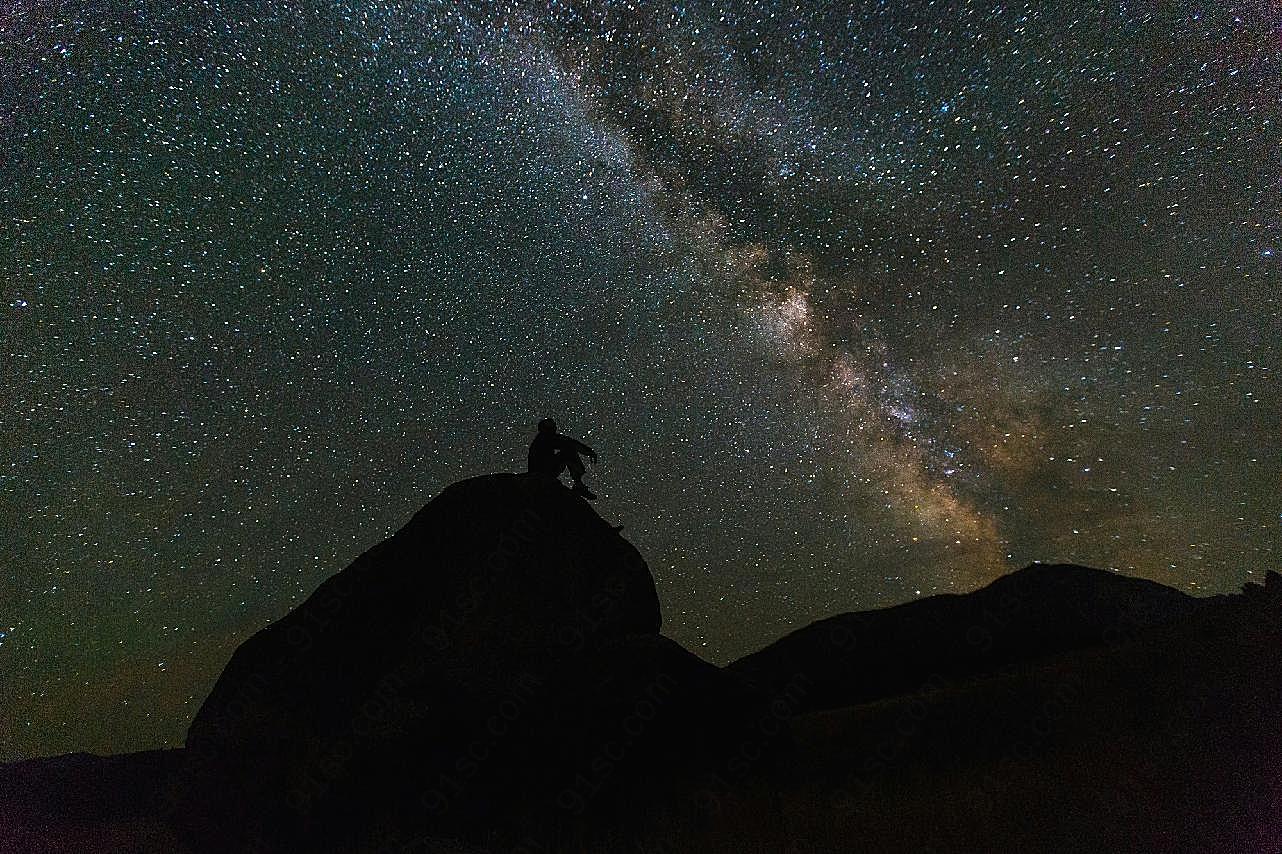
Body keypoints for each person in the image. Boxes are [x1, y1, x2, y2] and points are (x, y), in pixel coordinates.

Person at [527, 418, 598, 500]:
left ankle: (579, 485)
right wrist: (589, 452)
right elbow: (569, 443)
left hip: (539, 472)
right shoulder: (547, 438)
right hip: (543, 472)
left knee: (568, 451)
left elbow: (566, 442)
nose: (555, 428)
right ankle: (579, 485)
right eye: (552, 426)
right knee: (569, 452)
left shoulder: (540, 439)